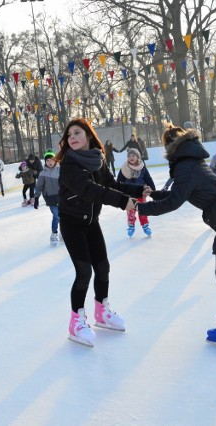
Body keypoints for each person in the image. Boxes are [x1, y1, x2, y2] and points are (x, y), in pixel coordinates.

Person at [136, 125, 216, 346]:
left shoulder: (185, 167)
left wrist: (141, 209)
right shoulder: (193, 161)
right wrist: (153, 194)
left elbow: (174, 202)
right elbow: (179, 193)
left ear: (170, 147)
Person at [57, 118, 144, 347]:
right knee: (84, 272)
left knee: (103, 267)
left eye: (77, 133)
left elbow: (111, 184)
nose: (72, 137)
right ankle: (76, 322)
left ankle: (101, 312)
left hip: (91, 222)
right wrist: (122, 202)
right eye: (69, 135)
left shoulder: (97, 160)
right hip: (72, 224)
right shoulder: (68, 166)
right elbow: (90, 191)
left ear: (88, 135)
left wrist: (139, 190)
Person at [117, 147, 156, 237]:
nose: (131, 157)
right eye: (129, 156)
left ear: (137, 157)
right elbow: (119, 181)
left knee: (143, 209)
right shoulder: (124, 168)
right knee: (130, 210)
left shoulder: (142, 167)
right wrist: (119, 192)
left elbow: (148, 179)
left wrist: (153, 191)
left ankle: (145, 225)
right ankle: (131, 226)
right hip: (129, 194)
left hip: (141, 193)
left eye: (133, 155)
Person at [34, 150, 61, 245]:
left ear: (55, 160)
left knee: (63, 216)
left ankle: (63, 232)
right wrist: (36, 198)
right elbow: (39, 186)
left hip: (62, 197)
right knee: (57, 216)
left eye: (51, 160)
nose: (50, 162)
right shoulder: (43, 173)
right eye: (47, 160)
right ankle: (54, 234)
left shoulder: (60, 170)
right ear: (45, 162)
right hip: (50, 198)